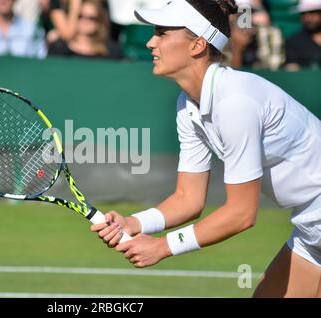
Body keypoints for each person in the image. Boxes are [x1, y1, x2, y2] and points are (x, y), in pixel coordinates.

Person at [91, 0, 321, 298]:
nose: (150, 42)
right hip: (310, 227)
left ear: (197, 45)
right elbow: (189, 198)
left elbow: (241, 214)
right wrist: (135, 223)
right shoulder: (187, 105)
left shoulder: (236, 101)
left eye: (162, 33)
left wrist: (163, 246)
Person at [48, 0, 123, 59]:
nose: (85, 21)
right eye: (80, 16)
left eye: (91, 18)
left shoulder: (112, 51)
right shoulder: (59, 49)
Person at [285, 0, 321, 70]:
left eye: (312, 12)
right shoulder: (293, 41)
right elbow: (292, 68)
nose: (307, 17)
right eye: (303, 14)